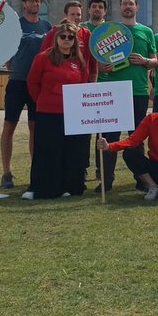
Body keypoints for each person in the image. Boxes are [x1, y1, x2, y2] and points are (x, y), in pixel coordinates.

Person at [95, 0, 158, 192]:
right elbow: (98, 58)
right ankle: (106, 181)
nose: (127, 6)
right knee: (109, 136)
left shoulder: (146, 31)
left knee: (137, 138)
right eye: (124, 3)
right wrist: (101, 66)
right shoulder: (109, 31)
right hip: (114, 91)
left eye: (131, 3)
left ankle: (141, 180)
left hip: (139, 91)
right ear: (119, 7)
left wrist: (146, 62)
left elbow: (155, 60)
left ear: (137, 7)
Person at [24, 22, 92, 199]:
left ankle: (69, 187)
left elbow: (83, 84)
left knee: (71, 151)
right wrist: (42, 100)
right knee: (48, 152)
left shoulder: (79, 60)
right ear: (56, 38)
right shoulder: (43, 58)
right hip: (48, 112)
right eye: (63, 37)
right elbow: (32, 83)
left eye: (71, 37)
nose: (67, 40)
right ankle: (44, 188)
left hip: (72, 113)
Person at [0, 0, 52, 189]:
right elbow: (7, 52)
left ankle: (36, 171)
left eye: (38, 1)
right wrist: (15, 70)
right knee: (9, 126)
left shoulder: (47, 26)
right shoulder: (15, 25)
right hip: (17, 83)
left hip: (38, 85)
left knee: (35, 128)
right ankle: (6, 173)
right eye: (31, 1)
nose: (35, 4)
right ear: (24, 4)